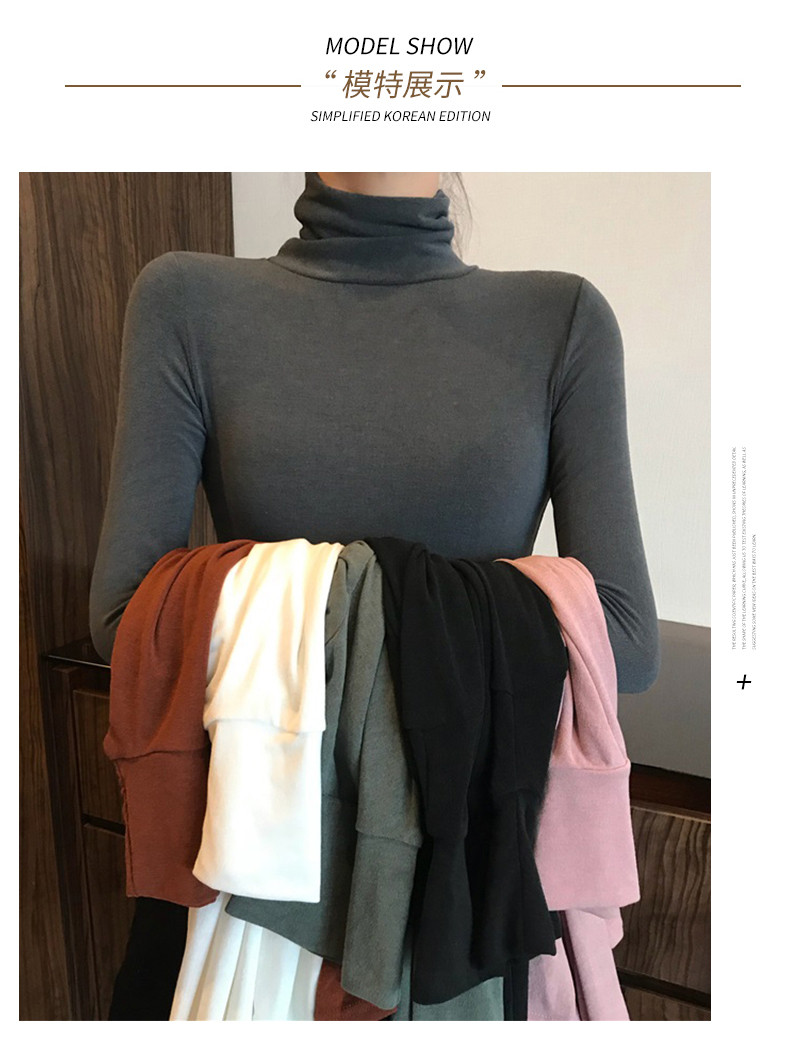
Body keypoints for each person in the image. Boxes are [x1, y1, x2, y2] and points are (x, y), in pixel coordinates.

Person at [89, 171, 660, 1018]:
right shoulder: (187, 303)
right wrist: (433, 614)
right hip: (248, 856)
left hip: (473, 866)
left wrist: (319, 607)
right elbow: (123, 618)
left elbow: (627, 641)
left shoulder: (561, 320)